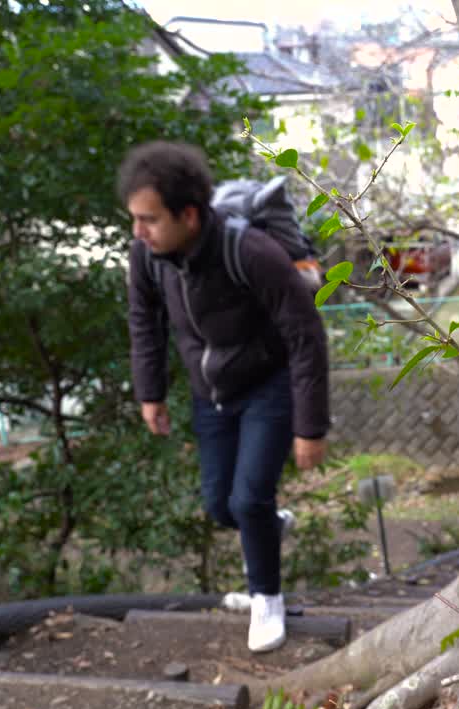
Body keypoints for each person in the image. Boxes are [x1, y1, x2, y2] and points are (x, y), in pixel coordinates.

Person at [118, 141, 330, 652]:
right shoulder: (148, 257)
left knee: (248, 497)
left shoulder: (250, 251)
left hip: (268, 384)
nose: (138, 232)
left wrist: (310, 426)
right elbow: (145, 322)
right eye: (134, 219)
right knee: (221, 505)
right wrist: (150, 393)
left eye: (148, 219)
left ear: (188, 215)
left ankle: (267, 601)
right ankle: (266, 528)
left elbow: (306, 335)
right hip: (210, 392)